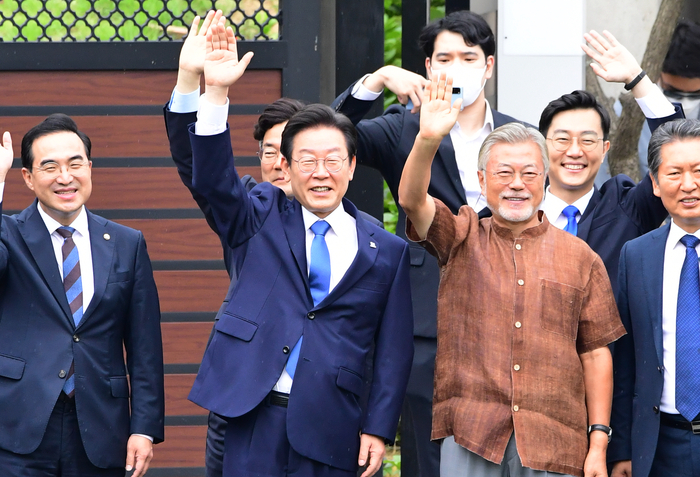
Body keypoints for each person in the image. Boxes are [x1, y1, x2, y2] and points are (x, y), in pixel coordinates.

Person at [186, 24, 413, 477]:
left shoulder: (386, 249)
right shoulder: (261, 213)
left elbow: (392, 350)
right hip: (251, 412)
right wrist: (214, 94)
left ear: (351, 165)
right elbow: (212, 183)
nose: (321, 172)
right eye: (307, 161)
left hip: (333, 421)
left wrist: (379, 427)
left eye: (333, 160)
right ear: (286, 168)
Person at [398, 74, 625, 477]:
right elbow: (412, 200)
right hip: (472, 433)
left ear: (545, 180)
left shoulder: (582, 258)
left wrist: (598, 443)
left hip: (556, 441)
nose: (516, 185)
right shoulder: (461, 235)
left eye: (529, 174)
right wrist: (428, 139)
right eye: (503, 174)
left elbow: (595, 354)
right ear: (482, 181)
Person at [331, 11, 525, 475]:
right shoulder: (402, 125)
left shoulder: (518, 132)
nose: (456, 68)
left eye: (468, 57)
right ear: (427, 66)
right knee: (427, 446)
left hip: (509, 310)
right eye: (444, 58)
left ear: (489, 65)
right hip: (425, 315)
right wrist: (374, 81)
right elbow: (326, 135)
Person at [0, 114, 164, 476]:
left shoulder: (127, 243)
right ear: (27, 177)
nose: (65, 177)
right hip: (16, 427)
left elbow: (145, 347)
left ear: (89, 168)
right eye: (50, 166)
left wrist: (145, 427)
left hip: (100, 429)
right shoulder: (8, 235)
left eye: (75, 164)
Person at [538, 29, 683, 293]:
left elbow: (680, 151)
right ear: (542, 146)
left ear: (605, 149)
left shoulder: (627, 210)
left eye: (588, 140)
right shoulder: (516, 209)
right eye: (562, 139)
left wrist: (637, 79)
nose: (574, 151)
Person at [609, 119, 700, 477]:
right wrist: (621, 449)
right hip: (662, 443)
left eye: (698, 170)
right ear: (656, 184)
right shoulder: (636, 256)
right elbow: (625, 359)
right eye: (675, 173)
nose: (689, 184)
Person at [636, 21, 700, 176]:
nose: (685, 102)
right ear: (657, 73)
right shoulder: (629, 115)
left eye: (695, 94)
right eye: (673, 91)